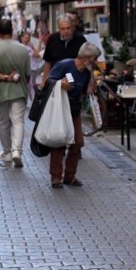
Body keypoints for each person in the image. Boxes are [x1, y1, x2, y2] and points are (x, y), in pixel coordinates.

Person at [44, 42, 100, 188]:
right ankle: (56, 177)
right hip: (60, 108)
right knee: (59, 141)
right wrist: (60, 83)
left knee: (77, 142)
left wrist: (92, 75)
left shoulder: (87, 72)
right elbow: (49, 81)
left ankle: (70, 176)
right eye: (95, 59)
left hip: (74, 109)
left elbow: (88, 91)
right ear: (86, 57)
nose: (96, 62)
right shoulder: (65, 65)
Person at [0, 18, 31, 168]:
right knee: (18, 121)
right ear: (12, 31)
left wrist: (5, 77)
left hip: (1, 90)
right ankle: (17, 150)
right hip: (19, 89)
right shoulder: (22, 48)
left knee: (3, 121)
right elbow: (28, 73)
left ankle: (7, 152)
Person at [40, 15, 85, 87]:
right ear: (59, 29)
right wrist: (44, 83)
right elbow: (47, 62)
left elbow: (87, 62)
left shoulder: (80, 39)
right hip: (55, 80)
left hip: (74, 80)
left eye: (68, 28)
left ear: (73, 27)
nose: (66, 31)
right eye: (63, 29)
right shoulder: (52, 39)